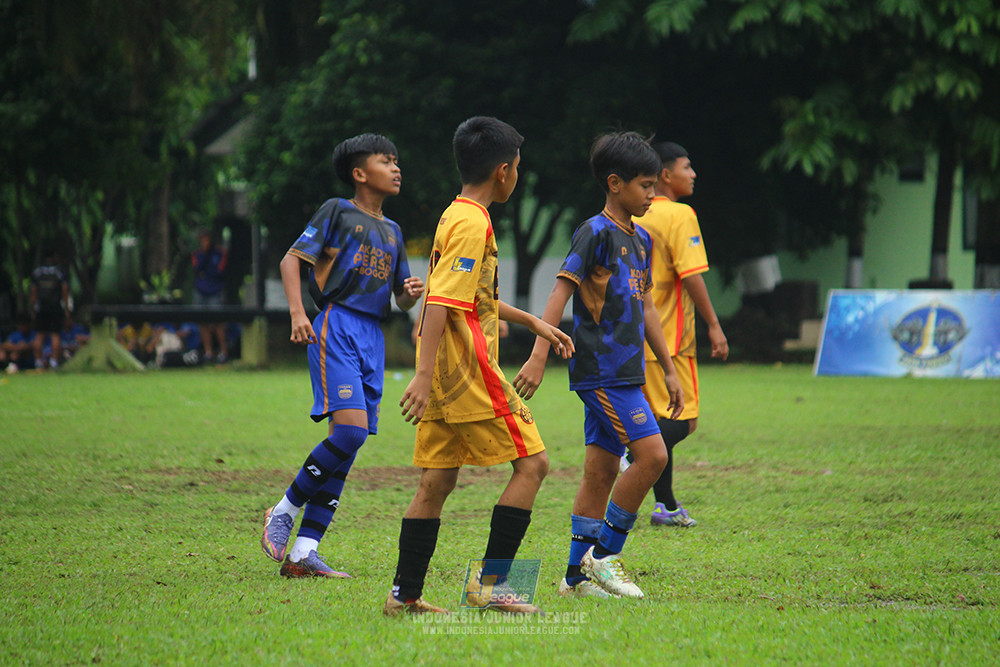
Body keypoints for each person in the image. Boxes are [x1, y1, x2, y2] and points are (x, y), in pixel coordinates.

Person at [384, 117, 573, 616]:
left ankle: (403, 597)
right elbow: (441, 305)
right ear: (504, 171)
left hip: (446, 375)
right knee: (534, 465)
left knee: (437, 482)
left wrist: (532, 321)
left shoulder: (455, 214)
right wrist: (422, 377)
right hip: (466, 371)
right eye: (519, 169)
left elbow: (471, 298)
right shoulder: (473, 224)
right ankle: (493, 588)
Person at [513, 131, 683, 599]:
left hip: (629, 371)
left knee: (601, 470)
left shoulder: (642, 239)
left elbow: (646, 307)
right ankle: (604, 557)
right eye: (646, 185)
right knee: (652, 456)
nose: (653, 194)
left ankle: (573, 579)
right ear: (615, 183)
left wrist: (667, 368)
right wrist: (538, 354)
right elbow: (560, 291)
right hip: (600, 372)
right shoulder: (594, 232)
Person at [261, 133, 425, 579]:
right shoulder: (337, 210)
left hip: (373, 335)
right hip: (337, 326)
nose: (396, 168)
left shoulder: (392, 231)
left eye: (397, 161)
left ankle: (303, 554)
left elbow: (401, 298)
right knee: (349, 435)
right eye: (385, 161)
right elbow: (291, 260)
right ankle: (284, 509)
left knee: (347, 449)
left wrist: (409, 295)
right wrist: (298, 313)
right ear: (359, 173)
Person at [623, 141, 729, 527]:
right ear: (666, 175)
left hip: (637, 337)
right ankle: (629, 456)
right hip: (672, 339)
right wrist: (714, 326)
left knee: (656, 419)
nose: (693, 174)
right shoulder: (680, 215)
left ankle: (665, 506)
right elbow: (692, 274)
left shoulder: (635, 213)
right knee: (683, 421)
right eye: (687, 167)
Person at [191, 229, 229, 363]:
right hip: (201, 290)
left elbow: (219, 271)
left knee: (218, 322)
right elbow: (197, 269)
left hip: (215, 290)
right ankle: (208, 352)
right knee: (203, 322)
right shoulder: (197, 254)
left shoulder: (220, 252)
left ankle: (223, 352)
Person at [30, 249, 70, 369]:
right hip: (55, 307)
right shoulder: (60, 272)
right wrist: (66, 308)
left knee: (39, 335)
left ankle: (38, 362)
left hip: (41, 308)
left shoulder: (37, 272)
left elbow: (33, 291)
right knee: (55, 335)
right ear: (54, 256)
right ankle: (54, 362)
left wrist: (32, 307)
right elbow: (65, 289)